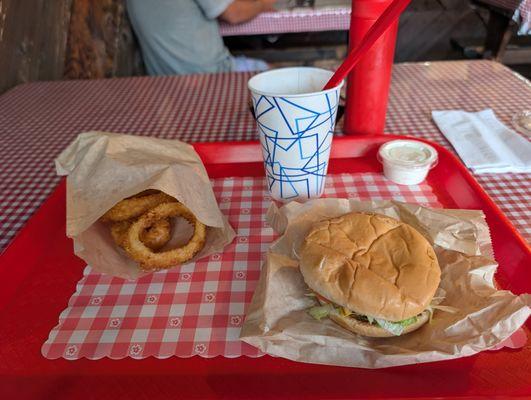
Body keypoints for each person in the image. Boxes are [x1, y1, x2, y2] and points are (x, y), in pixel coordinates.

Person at [126, 0, 277, 75]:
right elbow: (234, 14)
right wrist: (265, 3)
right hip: (210, 73)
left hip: (161, 76)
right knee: (273, 73)